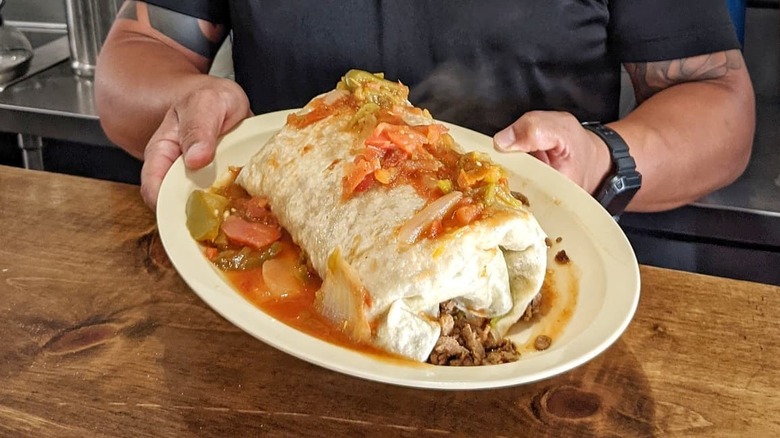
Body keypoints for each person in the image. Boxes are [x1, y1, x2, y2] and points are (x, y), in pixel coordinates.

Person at [95, 1, 755, 213]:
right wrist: (186, 97)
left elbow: (719, 103)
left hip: (529, 303)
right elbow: (136, 51)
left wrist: (602, 156)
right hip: (280, 276)